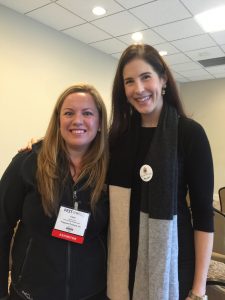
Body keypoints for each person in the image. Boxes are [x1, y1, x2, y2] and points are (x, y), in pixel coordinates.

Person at [107, 44, 214, 300]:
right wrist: (41, 145)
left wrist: (199, 289)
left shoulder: (189, 134)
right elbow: (80, 145)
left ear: (163, 79)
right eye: (129, 81)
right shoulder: (117, 137)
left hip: (173, 263)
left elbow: (202, 215)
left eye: (146, 77)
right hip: (121, 263)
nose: (138, 89)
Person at [0, 83, 109, 300]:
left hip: (93, 294)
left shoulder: (112, 170)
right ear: (58, 120)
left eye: (87, 113)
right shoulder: (28, 162)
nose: (77, 120)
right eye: (69, 113)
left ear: (99, 123)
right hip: (30, 293)